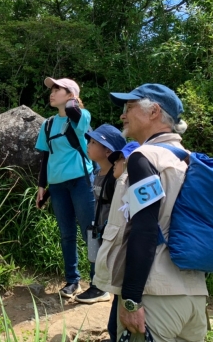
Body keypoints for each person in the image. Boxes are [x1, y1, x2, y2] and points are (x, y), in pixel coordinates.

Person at [93, 84, 208, 342]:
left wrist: (131, 299)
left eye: (129, 107)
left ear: (154, 111)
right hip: (194, 297)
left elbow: (144, 229)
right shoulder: (190, 160)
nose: (123, 115)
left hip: (156, 297)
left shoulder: (144, 157)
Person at [35, 77, 95, 299]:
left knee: (90, 231)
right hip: (57, 185)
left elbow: (75, 111)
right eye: (52, 89)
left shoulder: (82, 116)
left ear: (71, 95)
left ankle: (98, 284)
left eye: (58, 89)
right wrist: (42, 186)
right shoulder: (48, 124)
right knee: (66, 234)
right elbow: (45, 156)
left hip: (81, 181)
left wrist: (74, 100)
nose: (52, 92)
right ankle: (72, 282)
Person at [75, 124, 126, 304]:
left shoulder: (116, 177)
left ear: (107, 151)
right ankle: (99, 286)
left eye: (94, 142)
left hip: (111, 230)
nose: (88, 145)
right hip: (100, 227)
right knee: (97, 257)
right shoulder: (97, 172)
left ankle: (103, 289)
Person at [103, 140, 140, 341]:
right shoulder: (123, 181)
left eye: (119, 159)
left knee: (117, 327)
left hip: (130, 273)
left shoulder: (127, 182)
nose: (115, 163)